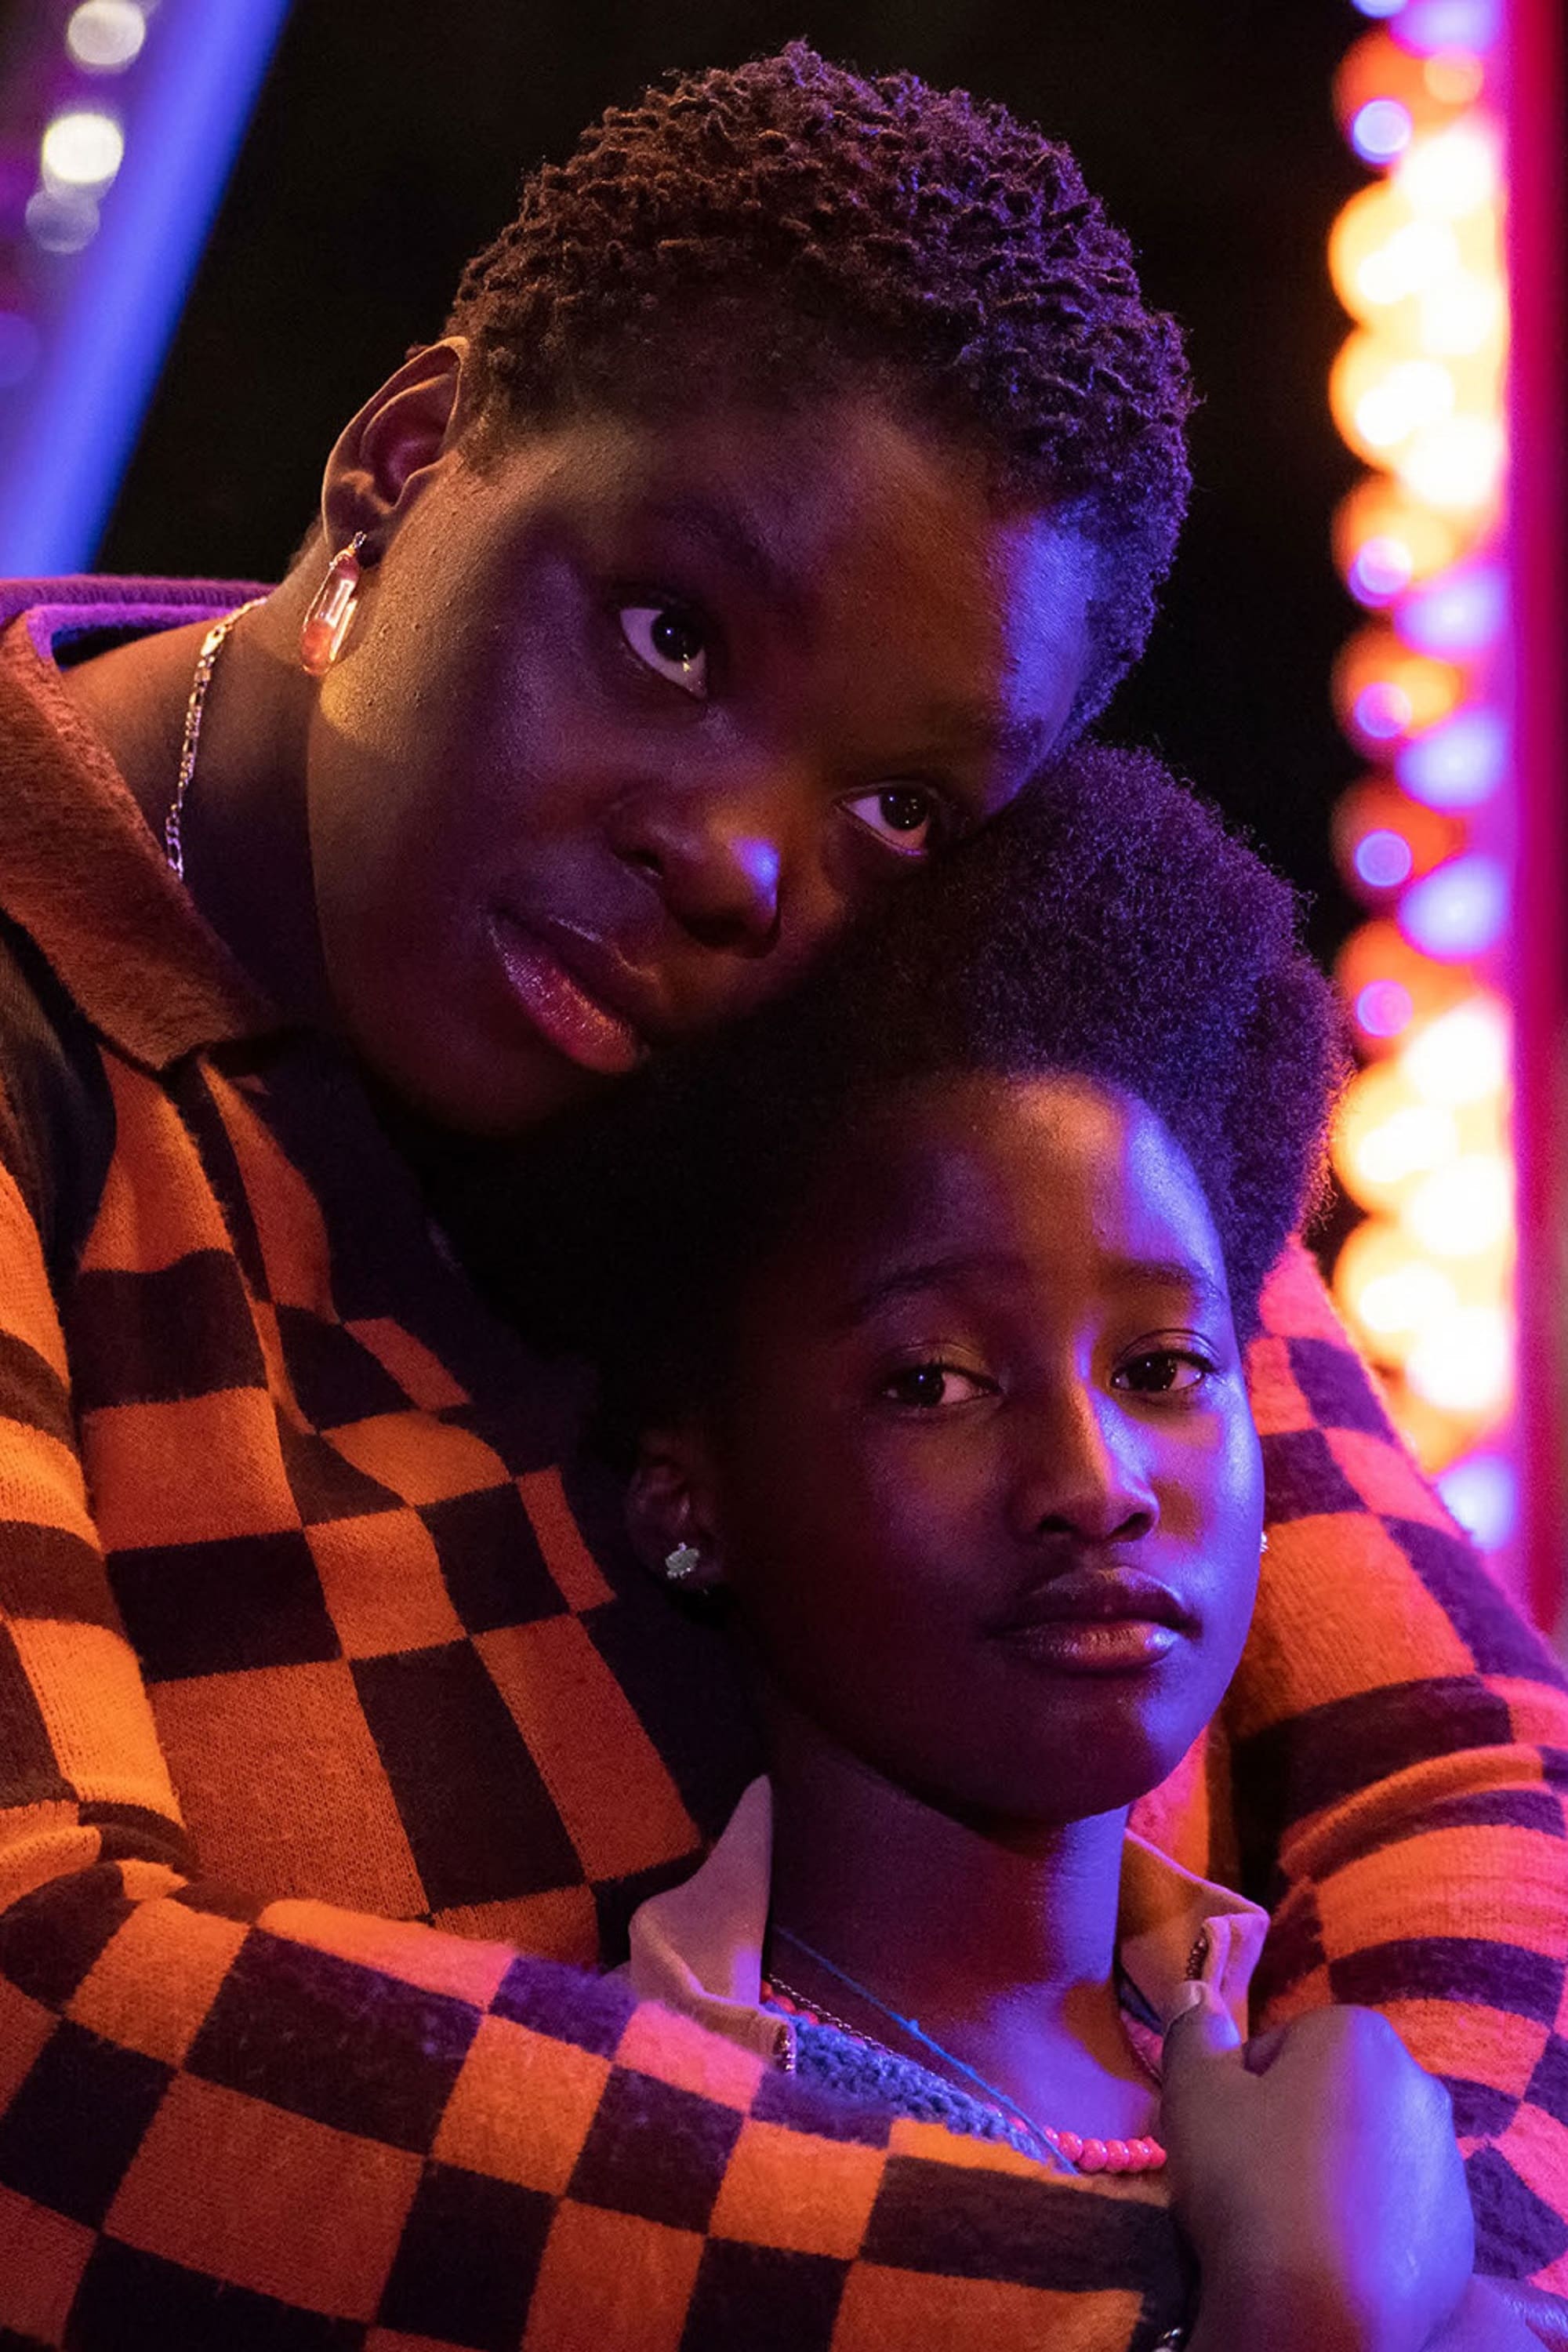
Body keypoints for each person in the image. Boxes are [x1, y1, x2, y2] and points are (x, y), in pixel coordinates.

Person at [0, 42, 1563, 2350]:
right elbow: (44, 2044)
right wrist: (1185, 2301)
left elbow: (1466, 1767)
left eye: (905, 802)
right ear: (405, 460)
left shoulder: (928, 996)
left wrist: (1454, 2270)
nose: (743, 861)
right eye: (672, 634)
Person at [531, 738, 1528, 2348]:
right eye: (933, 1381)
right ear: (688, 1497)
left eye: (1163, 1369)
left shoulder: (1347, 2084)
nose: (1095, 1482)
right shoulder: (640, 2159)